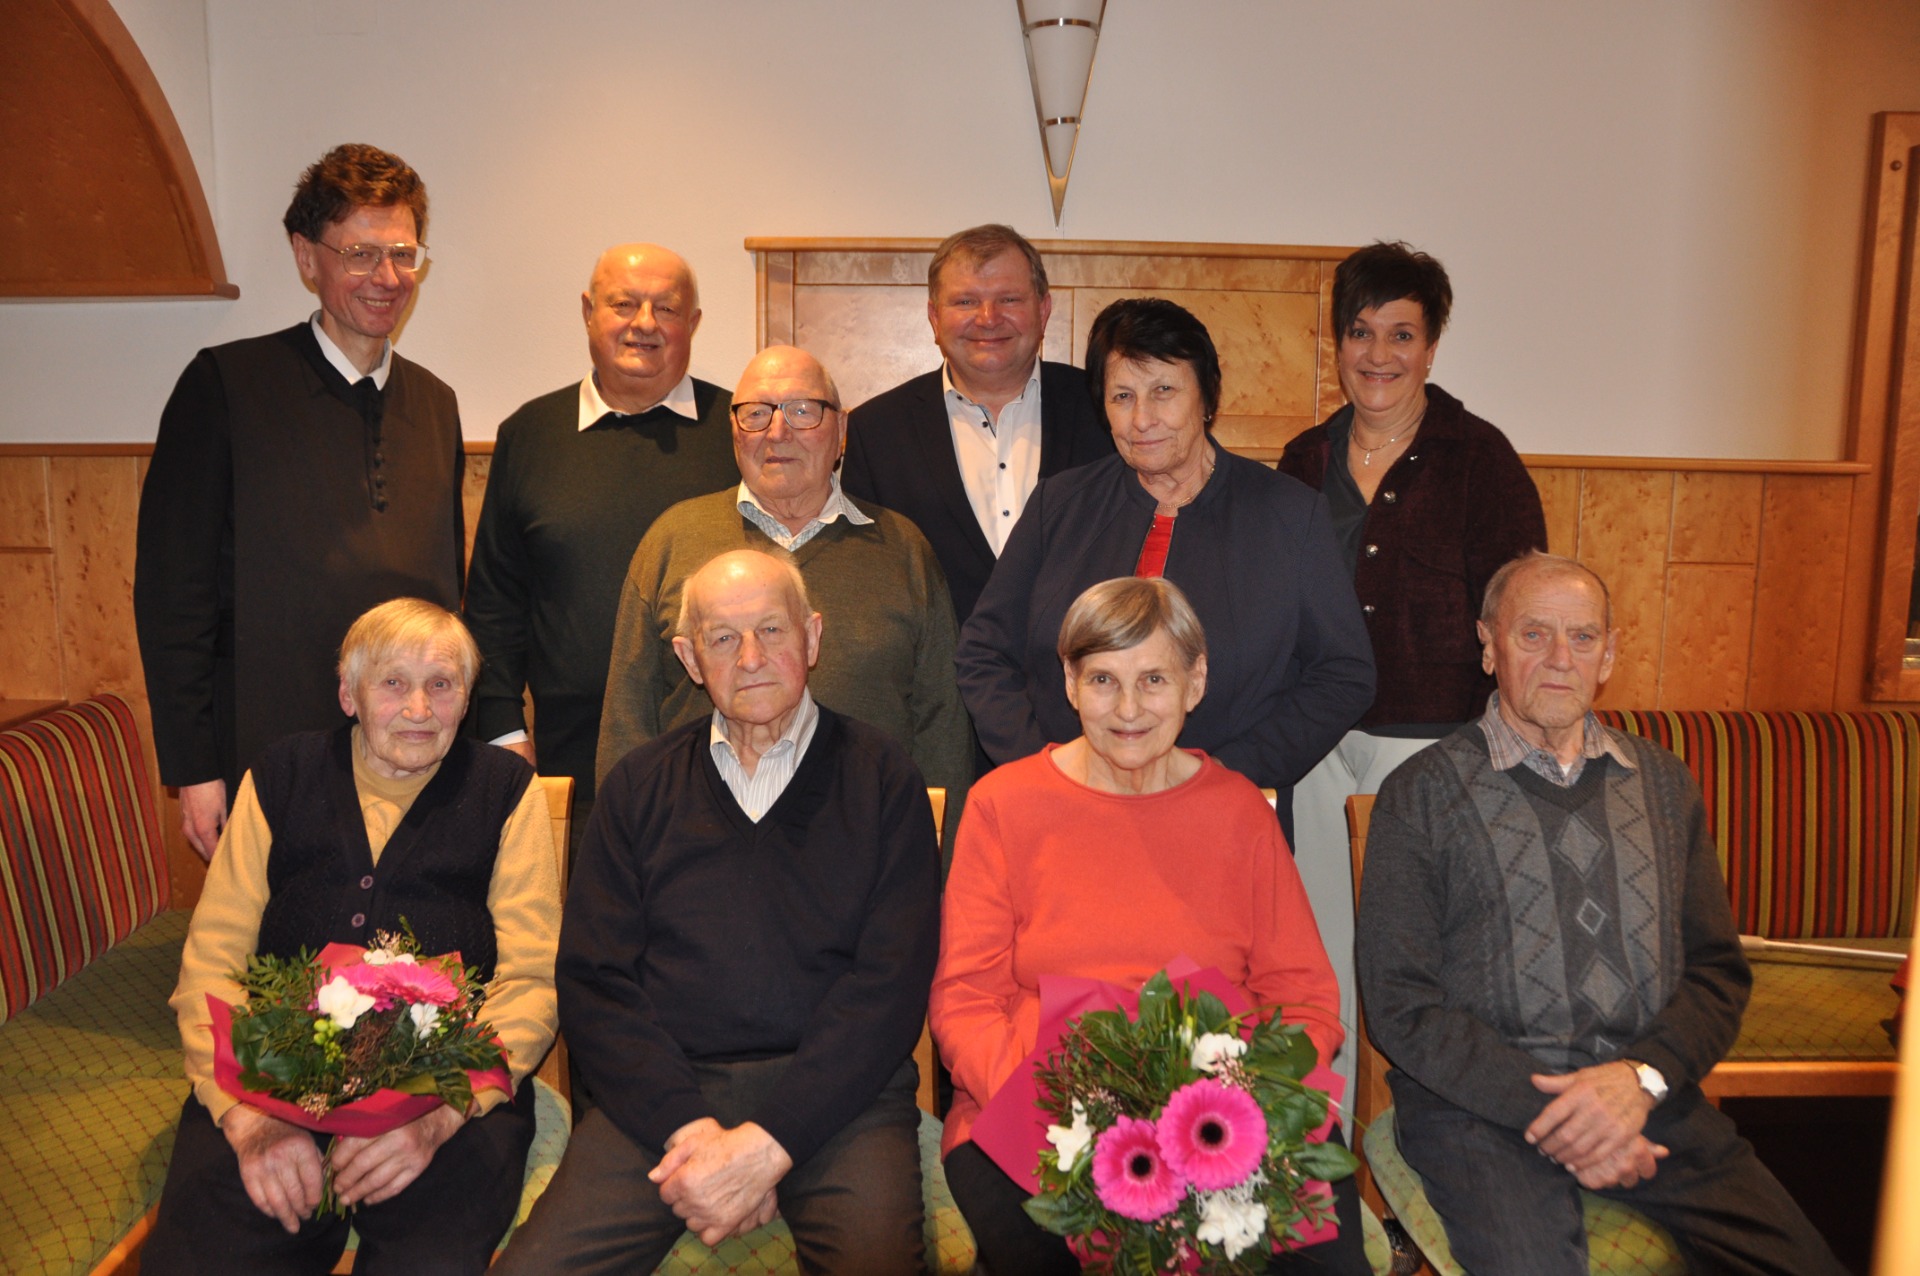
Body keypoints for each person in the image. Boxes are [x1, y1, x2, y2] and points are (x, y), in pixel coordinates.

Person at [1356, 553, 1846, 1276]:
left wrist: (1641, 1079)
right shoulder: (1420, 794)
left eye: (1583, 637)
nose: (1561, 657)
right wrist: (1564, 1116)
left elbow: (1716, 972)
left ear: (1609, 654)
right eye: (1533, 635)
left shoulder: (1664, 784)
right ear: (1488, 645)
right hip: (1477, 1112)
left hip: (1645, 1099)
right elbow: (1402, 1005)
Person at [495, 551, 940, 1274]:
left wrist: (769, 1145)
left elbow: (889, 987)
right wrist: (690, 1131)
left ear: (813, 637)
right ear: (689, 658)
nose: (751, 657)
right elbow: (595, 983)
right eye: (724, 638)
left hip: (842, 1100)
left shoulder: (884, 779)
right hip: (664, 1098)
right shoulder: (637, 789)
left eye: (772, 629)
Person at [933, 577, 1367, 1276]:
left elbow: (1305, 999)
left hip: (1224, 1111)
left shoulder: (1239, 813)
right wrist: (1061, 1109)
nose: (1128, 709)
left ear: (1196, 683)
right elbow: (965, 1001)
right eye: (1103, 679)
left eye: (1154, 679)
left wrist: (1235, 1102)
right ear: (1070, 683)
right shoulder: (1002, 805)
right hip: (1037, 1111)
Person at [142, 599, 561, 1275]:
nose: (419, 708)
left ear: (466, 698)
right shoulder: (280, 776)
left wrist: (442, 1116)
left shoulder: (507, 791)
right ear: (349, 695)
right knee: (205, 1257)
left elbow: (532, 981)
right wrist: (247, 1117)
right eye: (393, 683)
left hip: (446, 1085)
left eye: (442, 684)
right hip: (271, 1073)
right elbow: (212, 960)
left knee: (426, 1263)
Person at [135, 143, 465, 861]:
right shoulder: (224, 387)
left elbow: (449, 599)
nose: (386, 278)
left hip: (412, 759)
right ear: (305, 256)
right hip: (269, 757)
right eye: (360, 254)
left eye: (402, 254)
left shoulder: (437, 405)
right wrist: (195, 769)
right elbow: (173, 597)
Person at [1278, 240, 1546, 1124]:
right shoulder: (1304, 459)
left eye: (1402, 334)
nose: (1379, 354)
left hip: (1431, 751)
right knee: (1317, 958)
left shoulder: (1480, 459)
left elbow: (1517, 614)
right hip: (1314, 749)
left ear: (1431, 347)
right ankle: (1320, 1154)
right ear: (1337, 342)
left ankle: (1406, 1152)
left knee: (1410, 966)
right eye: (1361, 332)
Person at [955, 297, 1373, 838]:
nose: (1142, 419)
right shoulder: (1058, 505)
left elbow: (1343, 673)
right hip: (1062, 817)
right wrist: (1046, 768)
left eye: (1164, 391)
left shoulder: (1290, 515)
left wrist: (1225, 775)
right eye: (1122, 396)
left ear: (1207, 398)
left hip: (1220, 821)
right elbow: (984, 651)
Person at [595, 345, 971, 842]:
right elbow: (627, 723)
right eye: (756, 413)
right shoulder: (672, 541)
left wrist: (936, 867)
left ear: (841, 430)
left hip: (862, 848)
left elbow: (943, 729)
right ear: (733, 432)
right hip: (696, 847)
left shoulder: (902, 549)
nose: (777, 432)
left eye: (802, 410)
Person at [464, 243, 737, 835]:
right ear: (589, 312)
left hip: (729, 761)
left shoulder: (739, 432)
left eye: (667, 308)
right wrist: (504, 732)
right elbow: (494, 604)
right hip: (571, 766)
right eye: (624, 304)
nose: (645, 324)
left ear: (693, 323)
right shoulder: (530, 434)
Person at [843, 224, 1113, 624]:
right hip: (938, 665)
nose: (988, 319)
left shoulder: (1108, 410)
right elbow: (866, 583)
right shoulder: (876, 432)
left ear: (1043, 311)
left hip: (1081, 660)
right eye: (966, 301)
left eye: (1009, 299)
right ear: (935, 317)